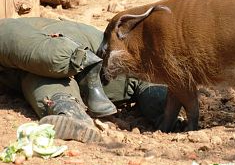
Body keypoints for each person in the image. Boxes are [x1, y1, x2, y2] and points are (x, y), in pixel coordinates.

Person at [0, 17, 168, 143]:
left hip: (95, 51)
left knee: (33, 49)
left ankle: (82, 60)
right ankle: (72, 114)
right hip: (111, 77)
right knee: (37, 76)